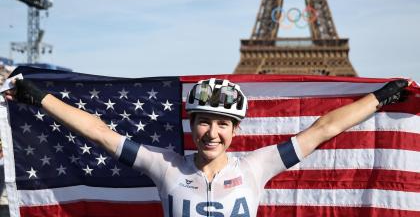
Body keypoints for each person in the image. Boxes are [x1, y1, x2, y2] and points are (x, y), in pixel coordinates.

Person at [4, 77, 409, 217]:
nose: (212, 133)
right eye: (203, 122)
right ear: (192, 125)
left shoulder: (257, 166)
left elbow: (323, 129)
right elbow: (100, 133)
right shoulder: (166, 166)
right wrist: (38, 97)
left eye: (222, 124)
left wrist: (380, 98)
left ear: (234, 130)